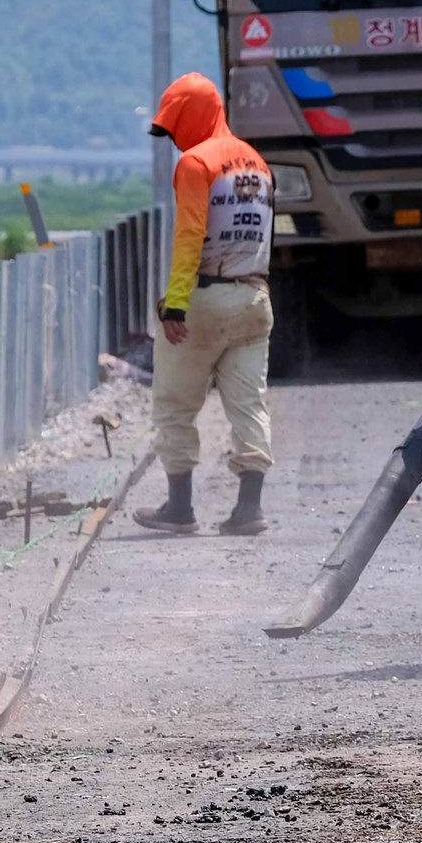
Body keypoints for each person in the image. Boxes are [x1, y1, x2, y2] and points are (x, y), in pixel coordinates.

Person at [133, 72, 275, 537]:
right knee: (248, 404)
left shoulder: (196, 163)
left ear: (191, 117)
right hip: (256, 298)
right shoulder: (256, 162)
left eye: (174, 126)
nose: (174, 139)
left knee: (175, 404)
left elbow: (190, 235)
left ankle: (179, 509)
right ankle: (249, 509)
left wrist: (174, 306)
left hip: (208, 299)